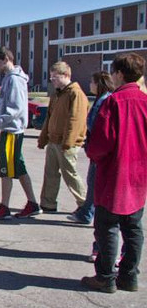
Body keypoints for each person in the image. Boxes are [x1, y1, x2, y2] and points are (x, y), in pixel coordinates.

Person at [81, 53, 147, 293]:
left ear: (120, 73)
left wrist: (91, 151)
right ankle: (129, 276)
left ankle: (106, 277)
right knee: (133, 227)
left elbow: (101, 143)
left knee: (107, 226)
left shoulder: (114, 102)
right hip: (139, 174)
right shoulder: (144, 100)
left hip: (114, 172)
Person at [0, 47, 40, 220]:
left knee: (6, 169)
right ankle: (32, 204)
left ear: (7, 58)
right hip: (10, 130)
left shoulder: (14, 80)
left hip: (12, 131)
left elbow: (15, 108)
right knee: (19, 167)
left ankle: (4, 207)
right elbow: (1, 104)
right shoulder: (8, 79)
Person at [36, 61, 89, 213]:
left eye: (55, 78)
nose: (52, 81)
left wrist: (68, 142)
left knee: (70, 174)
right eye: (51, 78)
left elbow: (76, 120)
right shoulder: (56, 94)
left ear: (66, 75)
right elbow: (49, 117)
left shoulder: (75, 93)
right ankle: (48, 203)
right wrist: (43, 138)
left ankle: (84, 204)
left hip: (67, 144)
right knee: (50, 174)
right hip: (53, 141)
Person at [68, 72, 114, 233]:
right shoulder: (100, 99)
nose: (90, 84)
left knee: (94, 182)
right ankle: (86, 212)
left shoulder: (105, 100)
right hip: (95, 149)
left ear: (99, 83)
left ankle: (86, 213)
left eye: (92, 81)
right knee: (92, 181)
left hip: (99, 152)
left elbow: (96, 126)